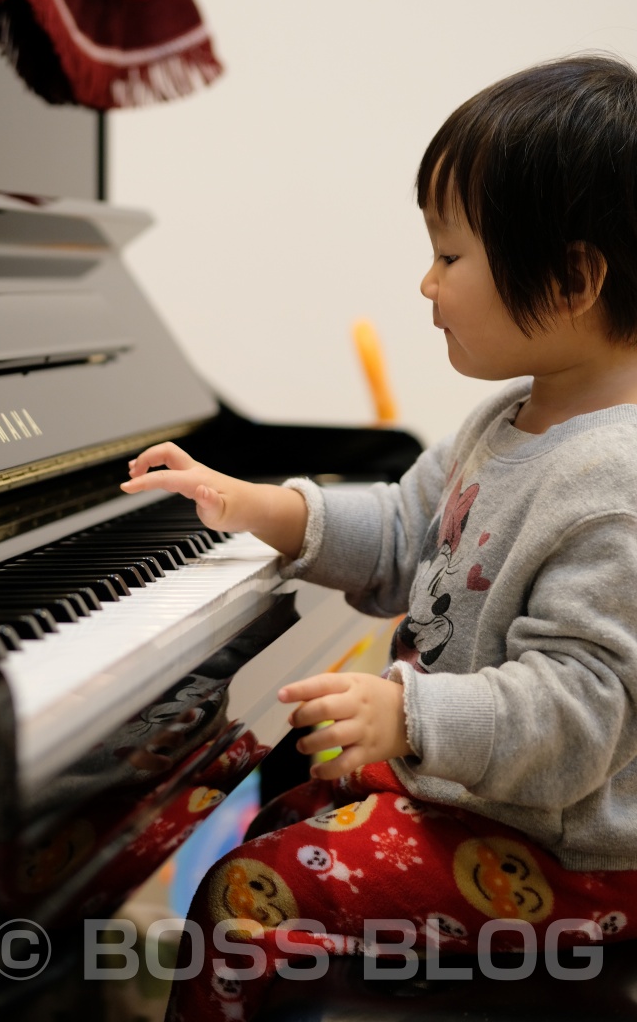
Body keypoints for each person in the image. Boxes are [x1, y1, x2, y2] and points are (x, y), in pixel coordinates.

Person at [120, 55, 637, 1020]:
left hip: (574, 861)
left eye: (450, 256)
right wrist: (260, 505)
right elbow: (404, 528)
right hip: (485, 799)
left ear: (569, 280)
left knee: (250, 894)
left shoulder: (616, 486)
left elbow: (580, 714)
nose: (425, 282)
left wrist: (409, 716)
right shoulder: (507, 422)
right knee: (283, 799)